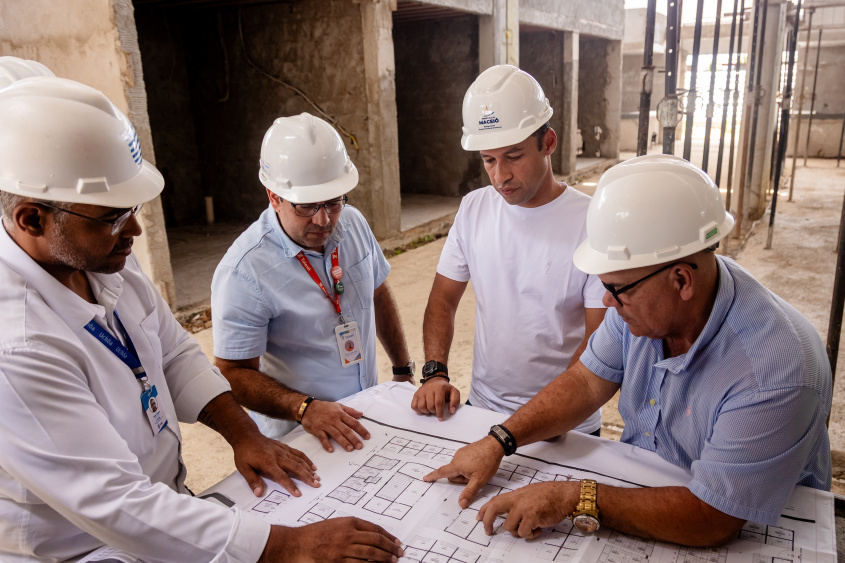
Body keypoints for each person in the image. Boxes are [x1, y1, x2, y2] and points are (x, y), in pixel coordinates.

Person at [0, 76, 403, 562]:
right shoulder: (17, 342)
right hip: (80, 548)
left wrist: (244, 434)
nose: (134, 229)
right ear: (31, 219)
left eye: (133, 209)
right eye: (111, 217)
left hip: (161, 510)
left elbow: (176, 355)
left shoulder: (108, 266)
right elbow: (115, 503)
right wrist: (290, 545)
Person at [424, 154, 832, 547]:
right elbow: (584, 382)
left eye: (617, 289)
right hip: (654, 489)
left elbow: (713, 518)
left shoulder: (776, 370)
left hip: (744, 528)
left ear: (682, 280)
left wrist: (575, 498)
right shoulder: (639, 302)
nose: (607, 303)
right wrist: (499, 441)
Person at [411, 65, 606, 435]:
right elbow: (442, 301)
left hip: (566, 425)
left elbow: (596, 344)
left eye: (514, 156)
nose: (500, 176)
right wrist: (435, 372)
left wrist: (535, 423)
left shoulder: (590, 222)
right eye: (488, 160)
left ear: (548, 142)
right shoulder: (473, 209)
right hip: (484, 410)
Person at [212, 113, 413, 452]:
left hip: (367, 413)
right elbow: (232, 373)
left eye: (333, 201)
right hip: (302, 436)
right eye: (306, 206)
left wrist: (403, 369)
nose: (324, 220)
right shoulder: (244, 271)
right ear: (273, 196)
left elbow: (377, 292)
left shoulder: (353, 224)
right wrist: (304, 408)